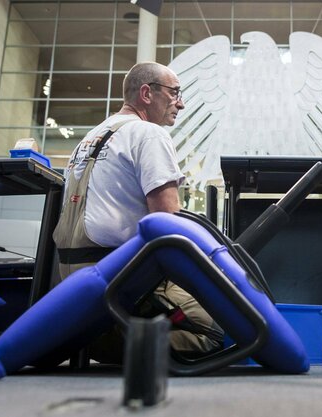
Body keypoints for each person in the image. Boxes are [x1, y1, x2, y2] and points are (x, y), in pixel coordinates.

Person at [52, 62, 223, 361]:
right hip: (121, 275)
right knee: (213, 330)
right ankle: (106, 341)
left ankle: (88, 334)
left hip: (73, 274)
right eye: (174, 93)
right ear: (146, 93)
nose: (180, 103)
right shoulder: (148, 134)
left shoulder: (91, 137)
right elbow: (167, 223)